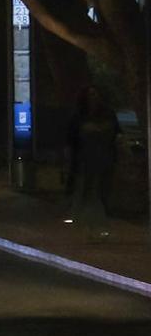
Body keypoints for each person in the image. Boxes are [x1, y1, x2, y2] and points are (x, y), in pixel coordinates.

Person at [66, 85, 118, 231]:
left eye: (96, 95)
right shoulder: (78, 117)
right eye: (91, 95)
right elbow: (71, 141)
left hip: (104, 158)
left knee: (102, 190)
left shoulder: (107, 114)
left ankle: (100, 223)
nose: (94, 98)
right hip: (85, 159)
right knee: (88, 190)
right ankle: (89, 223)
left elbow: (115, 135)